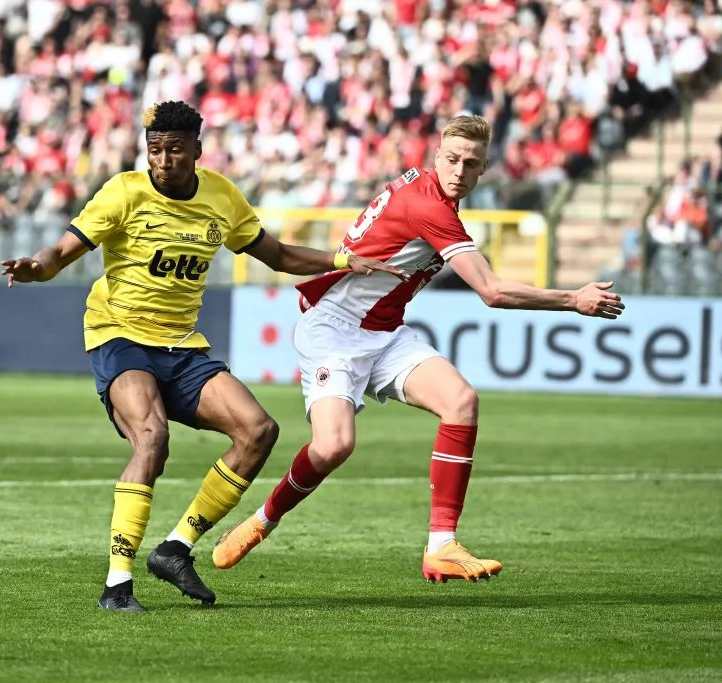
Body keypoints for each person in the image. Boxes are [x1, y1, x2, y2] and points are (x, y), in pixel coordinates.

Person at [0, 101, 408, 611]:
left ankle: (175, 548)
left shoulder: (220, 197)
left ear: (197, 148)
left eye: (173, 149)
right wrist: (36, 268)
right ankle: (117, 585)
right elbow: (60, 253)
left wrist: (345, 260)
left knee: (258, 431)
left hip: (181, 344)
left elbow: (278, 255)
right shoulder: (123, 192)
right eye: (154, 150)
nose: (162, 160)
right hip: (119, 335)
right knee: (152, 439)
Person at [211, 114, 626, 583]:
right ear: (436, 156)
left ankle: (441, 545)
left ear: (484, 168)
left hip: (384, 332)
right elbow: (491, 292)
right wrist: (573, 300)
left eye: (471, 164)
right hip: (334, 331)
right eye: (452, 159)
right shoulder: (430, 207)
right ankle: (262, 520)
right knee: (334, 446)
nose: (459, 171)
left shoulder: (425, 191)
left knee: (461, 401)